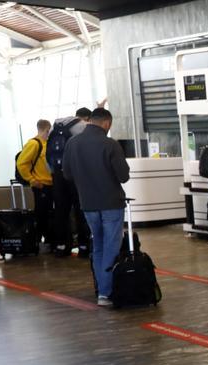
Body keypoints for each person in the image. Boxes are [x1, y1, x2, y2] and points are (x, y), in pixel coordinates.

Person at [63, 108, 130, 307]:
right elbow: (123, 176)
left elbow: (67, 174)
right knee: (111, 246)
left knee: (99, 246)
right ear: (107, 123)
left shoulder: (72, 143)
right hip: (111, 203)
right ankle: (105, 292)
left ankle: (101, 287)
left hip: (88, 204)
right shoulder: (110, 144)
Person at [50, 107, 91, 257]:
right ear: (87, 117)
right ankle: (84, 246)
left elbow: (49, 156)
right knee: (81, 210)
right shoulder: (83, 127)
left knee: (61, 211)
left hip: (58, 175)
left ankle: (61, 246)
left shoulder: (55, 127)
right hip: (76, 175)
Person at [16, 119, 53, 248]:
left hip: (51, 184)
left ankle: (49, 238)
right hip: (41, 184)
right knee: (41, 213)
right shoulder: (34, 144)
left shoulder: (48, 143)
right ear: (47, 129)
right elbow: (21, 163)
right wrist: (32, 180)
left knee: (48, 213)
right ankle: (37, 239)